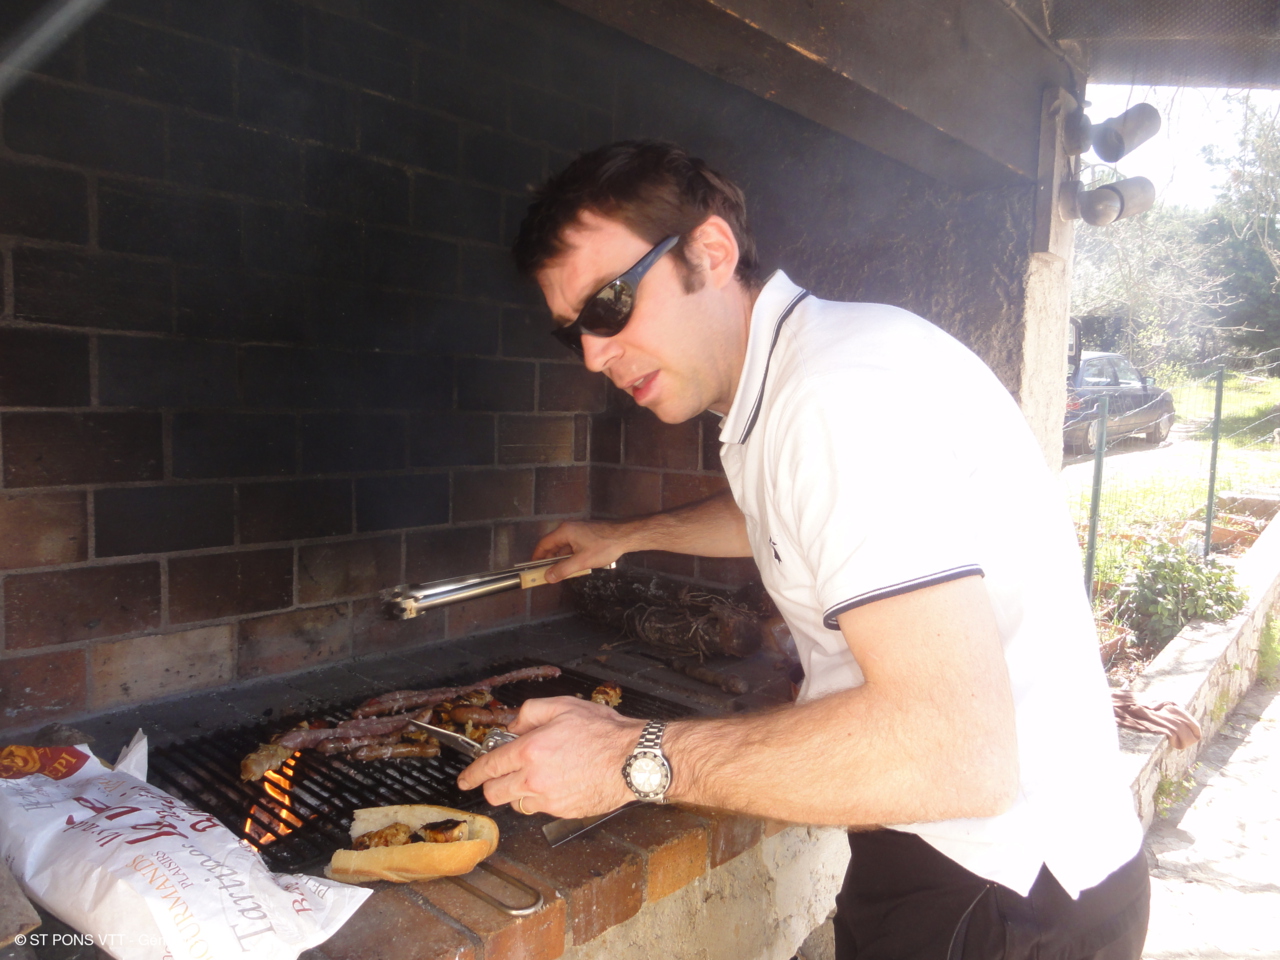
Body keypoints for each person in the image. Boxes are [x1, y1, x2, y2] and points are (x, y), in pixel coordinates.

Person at [456, 140, 1150, 959]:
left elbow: (954, 753)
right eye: (572, 332)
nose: (593, 354)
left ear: (711, 252)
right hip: (979, 865)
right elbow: (793, 514)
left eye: (608, 306)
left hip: (998, 890)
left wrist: (629, 756)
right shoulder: (809, 371)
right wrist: (629, 537)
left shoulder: (834, 395)